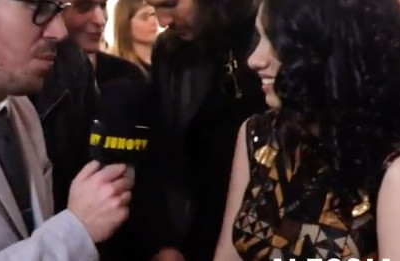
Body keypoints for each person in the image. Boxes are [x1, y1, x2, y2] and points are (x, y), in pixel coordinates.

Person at [214, 0, 400, 259]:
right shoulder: (259, 135)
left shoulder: (390, 168)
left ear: (327, 50)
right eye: (259, 38)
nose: (253, 60)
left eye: (277, 43)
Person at [0, 0, 133, 259]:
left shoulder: (23, 111)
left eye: (58, 10)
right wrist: (76, 230)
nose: (59, 32)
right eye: (39, 8)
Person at [142, 0, 267, 259]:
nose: (163, 21)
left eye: (171, 4)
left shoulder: (265, 36)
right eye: (154, 8)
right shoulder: (170, 52)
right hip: (195, 230)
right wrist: (164, 239)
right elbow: (161, 151)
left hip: (266, 225)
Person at [109, 0, 159, 75]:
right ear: (126, 25)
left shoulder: (165, 61)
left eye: (153, 15)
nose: (153, 21)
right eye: (144, 17)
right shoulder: (119, 69)